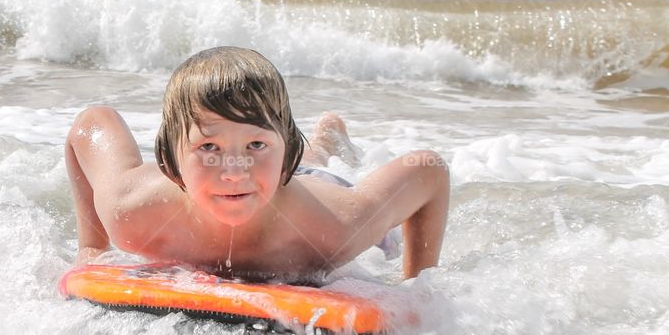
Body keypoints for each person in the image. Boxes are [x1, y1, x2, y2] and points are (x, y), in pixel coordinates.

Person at [65, 46, 448, 282]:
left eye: (255, 142)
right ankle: (304, 142)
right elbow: (90, 123)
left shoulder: (338, 227)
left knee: (314, 173)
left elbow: (428, 169)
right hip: (274, 176)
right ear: (169, 158)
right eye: (209, 147)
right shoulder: (131, 211)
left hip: (314, 189)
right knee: (272, 167)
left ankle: (323, 142)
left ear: (287, 151)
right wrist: (92, 249)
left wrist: (417, 285)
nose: (233, 170)